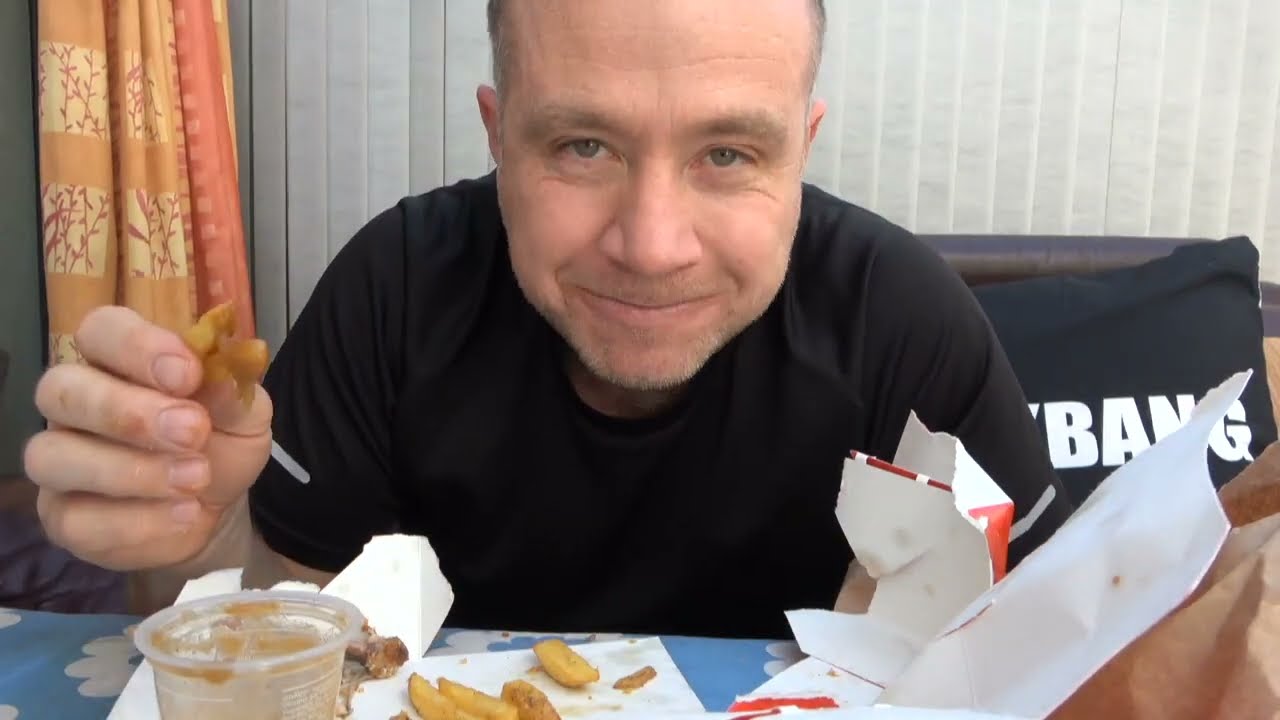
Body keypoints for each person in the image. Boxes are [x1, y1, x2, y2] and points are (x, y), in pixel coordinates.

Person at [23, 0, 1072, 639]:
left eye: (727, 155)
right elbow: (278, 629)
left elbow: (1041, 654)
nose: (651, 244)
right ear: (498, 131)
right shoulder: (394, 292)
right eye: (582, 146)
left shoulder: (902, 328)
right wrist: (196, 539)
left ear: (801, 148)